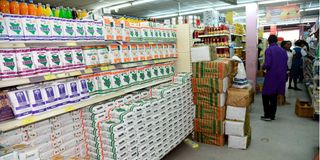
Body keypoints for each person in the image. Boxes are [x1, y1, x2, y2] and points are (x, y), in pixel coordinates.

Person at [261, 35, 288, 121]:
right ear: (276, 41)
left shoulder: (269, 50)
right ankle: (272, 115)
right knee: (274, 96)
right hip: (281, 76)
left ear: (269, 41)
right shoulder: (283, 51)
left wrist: (263, 66)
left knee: (265, 95)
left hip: (271, 76)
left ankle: (267, 115)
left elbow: (268, 64)